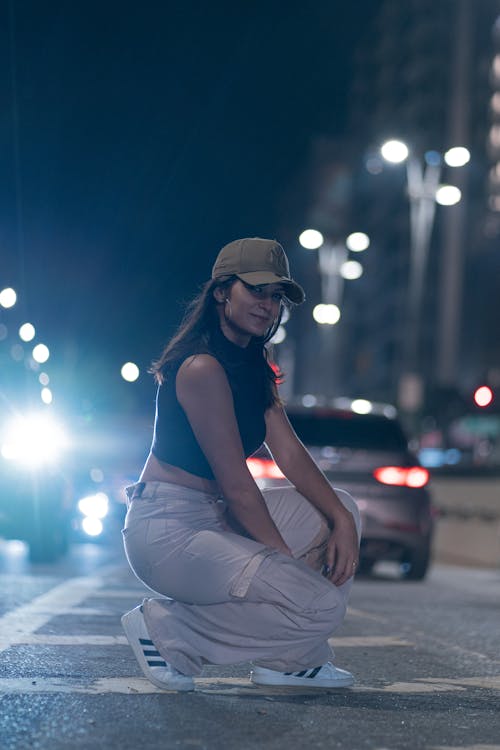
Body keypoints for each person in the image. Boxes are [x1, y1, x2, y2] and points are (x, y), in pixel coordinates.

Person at [121, 237, 361, 692]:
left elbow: (288, 452)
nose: (267, 306)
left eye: (276, 296)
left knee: (339, 506)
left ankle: (291, 660)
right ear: (220, 292)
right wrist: (284, 565)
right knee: (319, 605)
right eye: (256, 291)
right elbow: (237, 486)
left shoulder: (255, 362)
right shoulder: (200, 368)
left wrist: (342, 518)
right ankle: (167, 631)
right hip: (169, 533)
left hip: (215, 519)